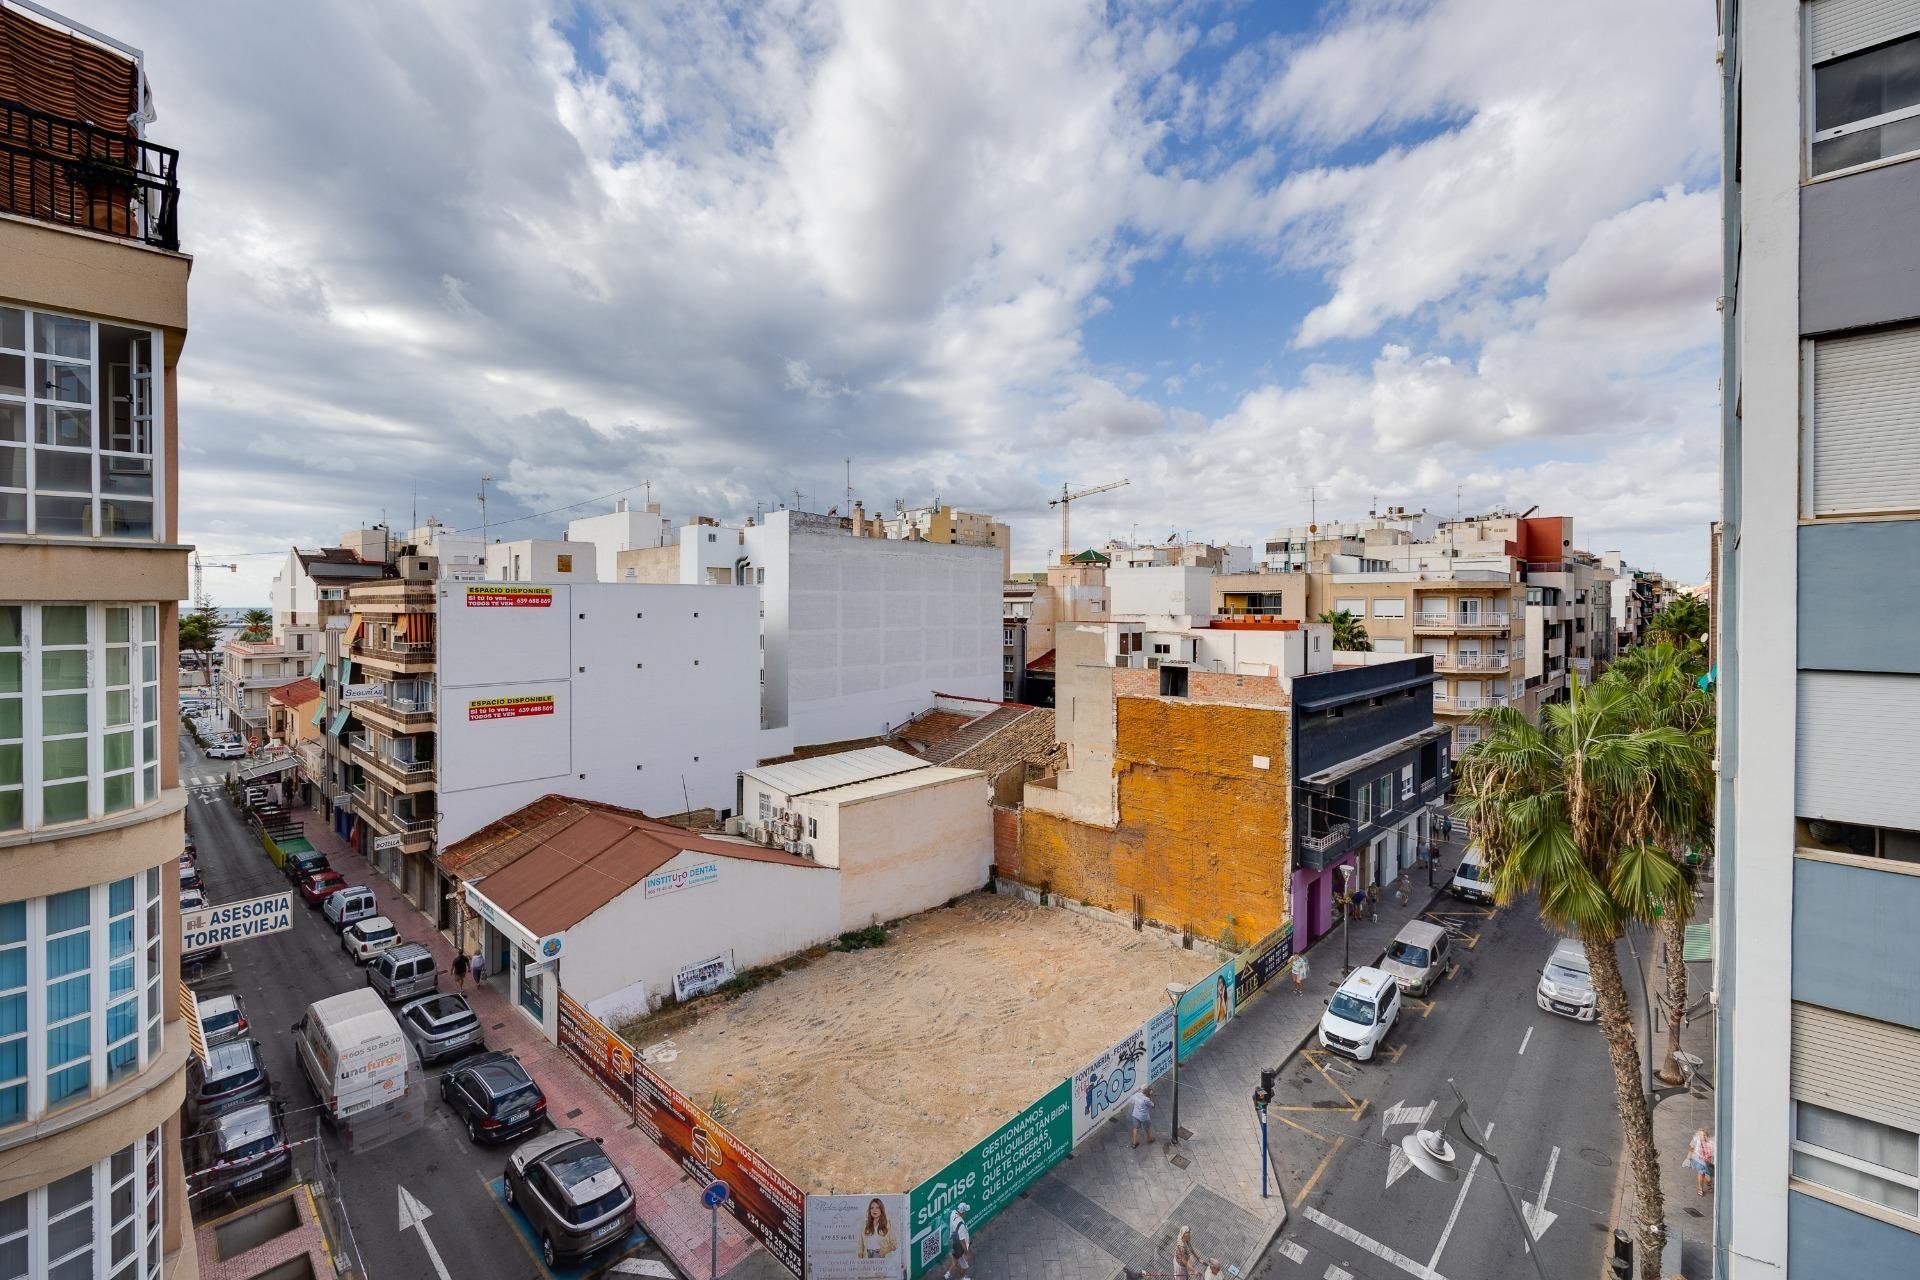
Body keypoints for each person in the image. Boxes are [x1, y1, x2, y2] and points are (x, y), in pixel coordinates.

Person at [941, 1203, 970, 1279]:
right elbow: (962, 1241)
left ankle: (947, 1274)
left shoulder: (953, 1213)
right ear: (963, 1212)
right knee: (964, 1265)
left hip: (952, 1243)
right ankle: (963, 1277)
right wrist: (966, 1251)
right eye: (966, 1211)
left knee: (955, 1259)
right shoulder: (961, 1226)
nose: (967, 1212)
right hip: (959, 1247)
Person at [1687, 1128, 1715, 1196]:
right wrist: (1689, 1157)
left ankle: (1709, 1183)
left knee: (1709, 1178)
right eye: (1702, 1135)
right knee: (1701, 1174)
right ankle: (1700, 1189)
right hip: (1700, 1162)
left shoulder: (1710, 1143)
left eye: (1705, 1135)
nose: (1703, 1136)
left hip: (1708, 1163)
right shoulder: (1696, 1141)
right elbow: (1690, 1148)